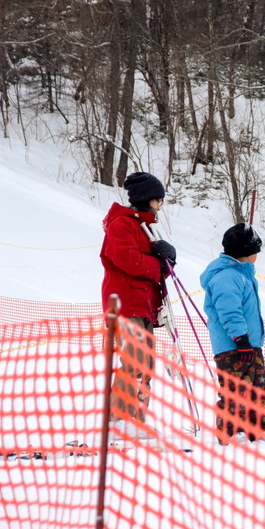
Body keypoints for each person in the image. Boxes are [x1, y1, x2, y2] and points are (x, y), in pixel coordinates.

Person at [100, 171, 176, 430]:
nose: (160, 206)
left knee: (147, 364)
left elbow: (147, 261)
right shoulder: (121, 224)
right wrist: (157, 264)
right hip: (126, 302)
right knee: (134, 360)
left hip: (143, 305)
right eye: (158, 200)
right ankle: (120, 418)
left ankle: (136, 419)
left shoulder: (142, 226)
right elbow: (126, 259)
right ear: (146, 199)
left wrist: (166, 260)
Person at [200, 223, 265, 444]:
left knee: (259, 386)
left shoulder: (241, 273)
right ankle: (231, 435)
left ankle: (256, 431)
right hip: (234, 346)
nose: (257, 255)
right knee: (236, 391)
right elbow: (229, 310)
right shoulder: (226, 275)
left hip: (249, 344)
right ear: (245, 252)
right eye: (255, 251)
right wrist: (240, 338)